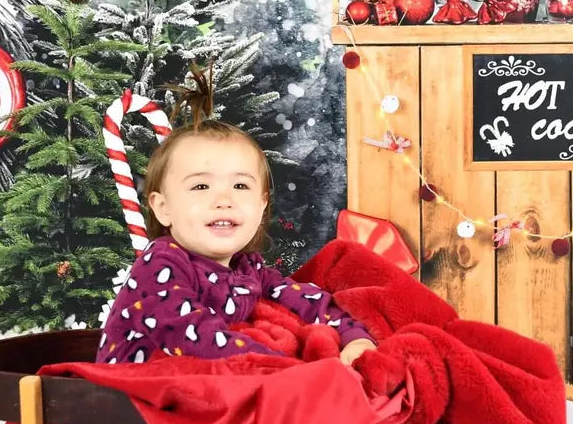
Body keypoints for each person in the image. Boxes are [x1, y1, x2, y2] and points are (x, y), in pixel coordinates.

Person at [98, 119, 377, 366]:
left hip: (204, 398)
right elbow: (195, 337)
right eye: (200, 187)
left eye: (240, 186)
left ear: (261, 205)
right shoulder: (160, 264)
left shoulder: (249, 272)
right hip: (132, 403)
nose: (224, 200)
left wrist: (354, 338)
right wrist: (288, 370)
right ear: (163, 208)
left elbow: (312, 303)